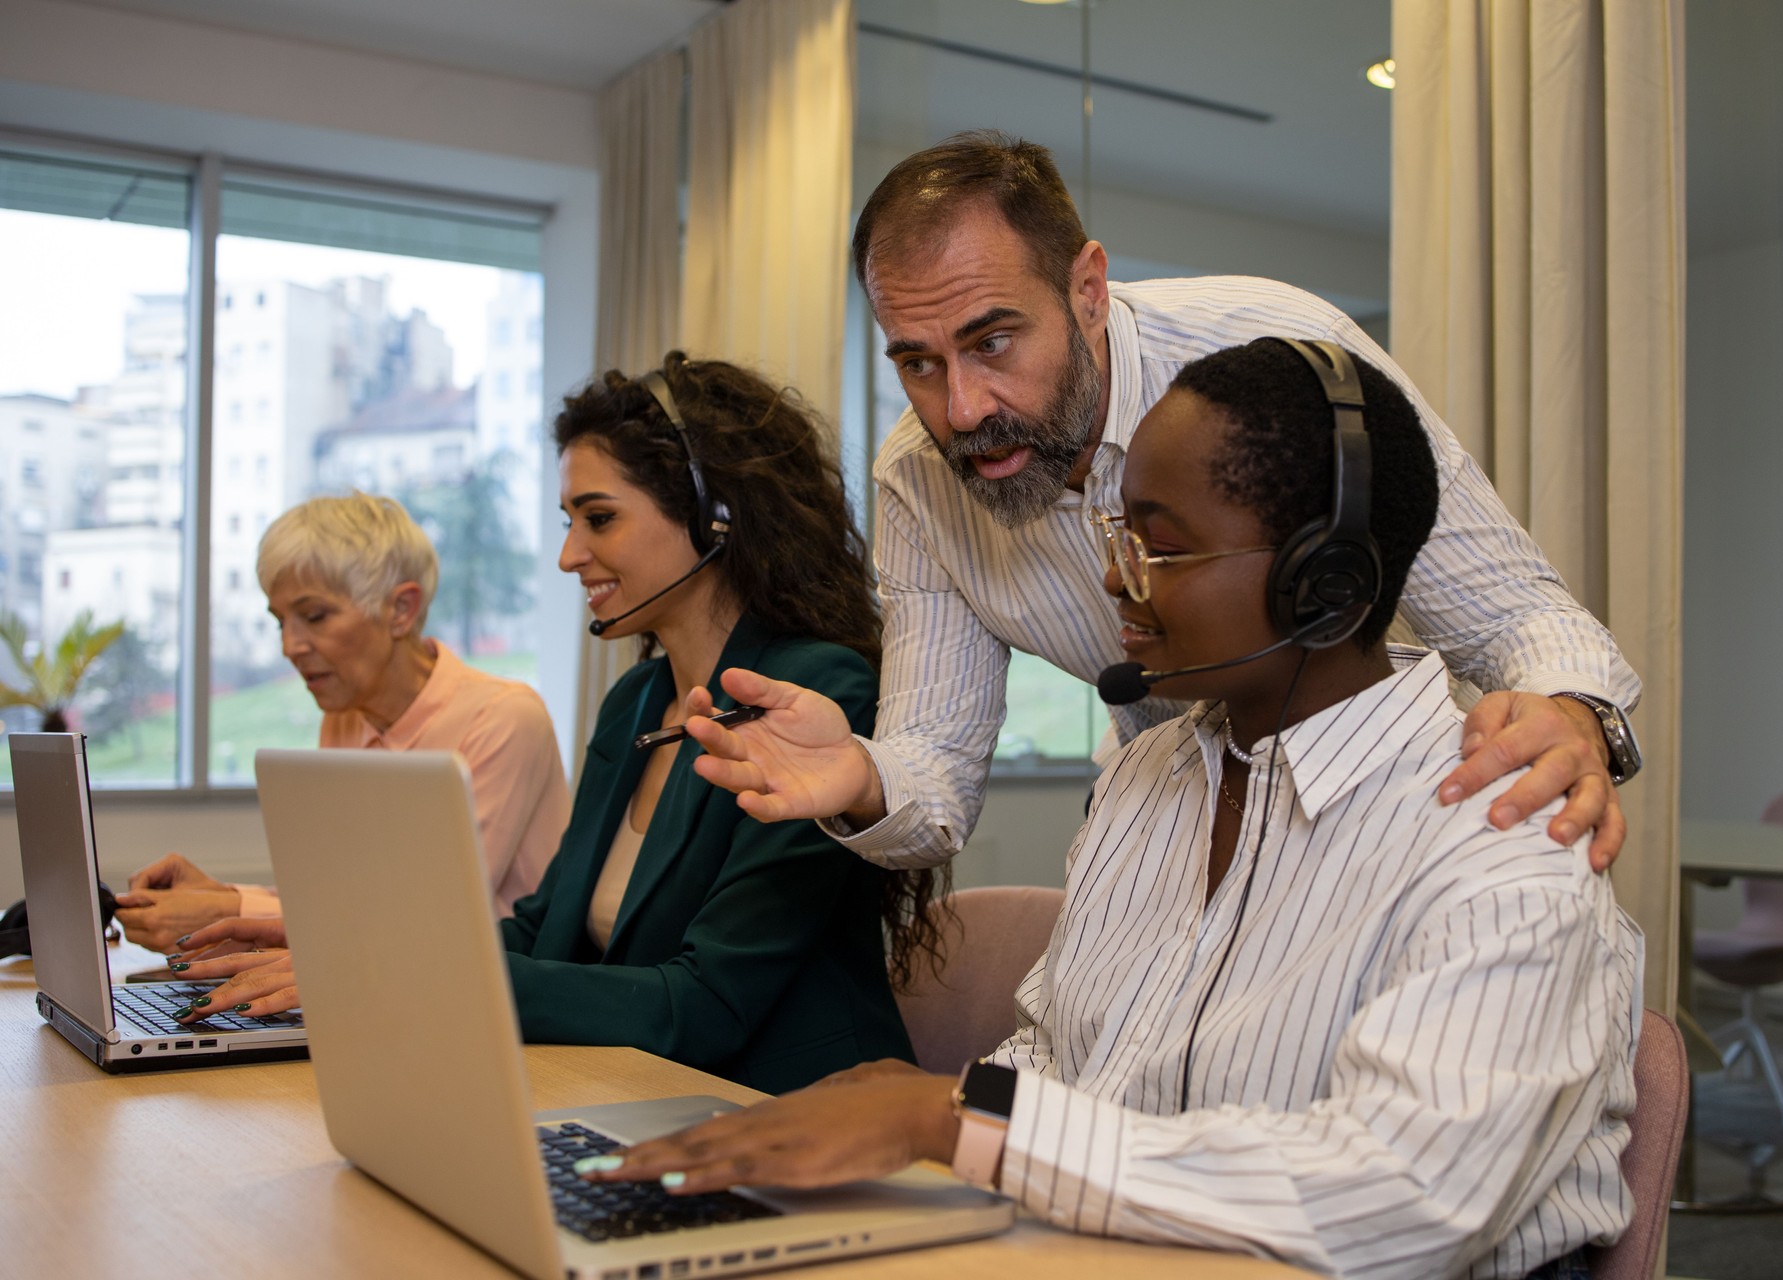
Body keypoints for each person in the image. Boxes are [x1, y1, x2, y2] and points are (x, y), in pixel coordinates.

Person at [584, 338, 1643, 1280]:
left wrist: (951, 1120)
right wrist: (927, 1108)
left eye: (1161, 544)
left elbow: (1402, 1197)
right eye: (1118, 532)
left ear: (1324, 586)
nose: (1114, 579)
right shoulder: (1148, 781)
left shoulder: (1507, 824)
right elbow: (1060, 1057)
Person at [698, 131, 1641, 876]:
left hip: (1379, 826)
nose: (961, 411)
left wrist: (1570, 715)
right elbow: (933, 778)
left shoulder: (1283, 358)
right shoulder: (919, 479)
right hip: (1169, 836)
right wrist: (861, 775)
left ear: (1089, 290)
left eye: (992, 342)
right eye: (916, 362)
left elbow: (1517, 616)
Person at [175, 356, 935, 1094]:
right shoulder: (637, 702)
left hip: (791, 1109)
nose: (571, 555)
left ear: (716, 514)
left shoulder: (813, 692)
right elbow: (545, 930)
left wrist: (407, 971)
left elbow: (704, 1007)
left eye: (598, 518)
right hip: (636, 1093)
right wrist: (350, 954)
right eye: (568, 521)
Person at [114, 493, 569, 951]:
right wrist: (220, 899)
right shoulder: (345, 718)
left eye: (315, 616)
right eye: (280, 622)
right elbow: (343, 905)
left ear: (401, 610)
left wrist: (227, 912)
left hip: (499, 1002)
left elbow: (419, 913)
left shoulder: (504, 719)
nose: (290, 646)